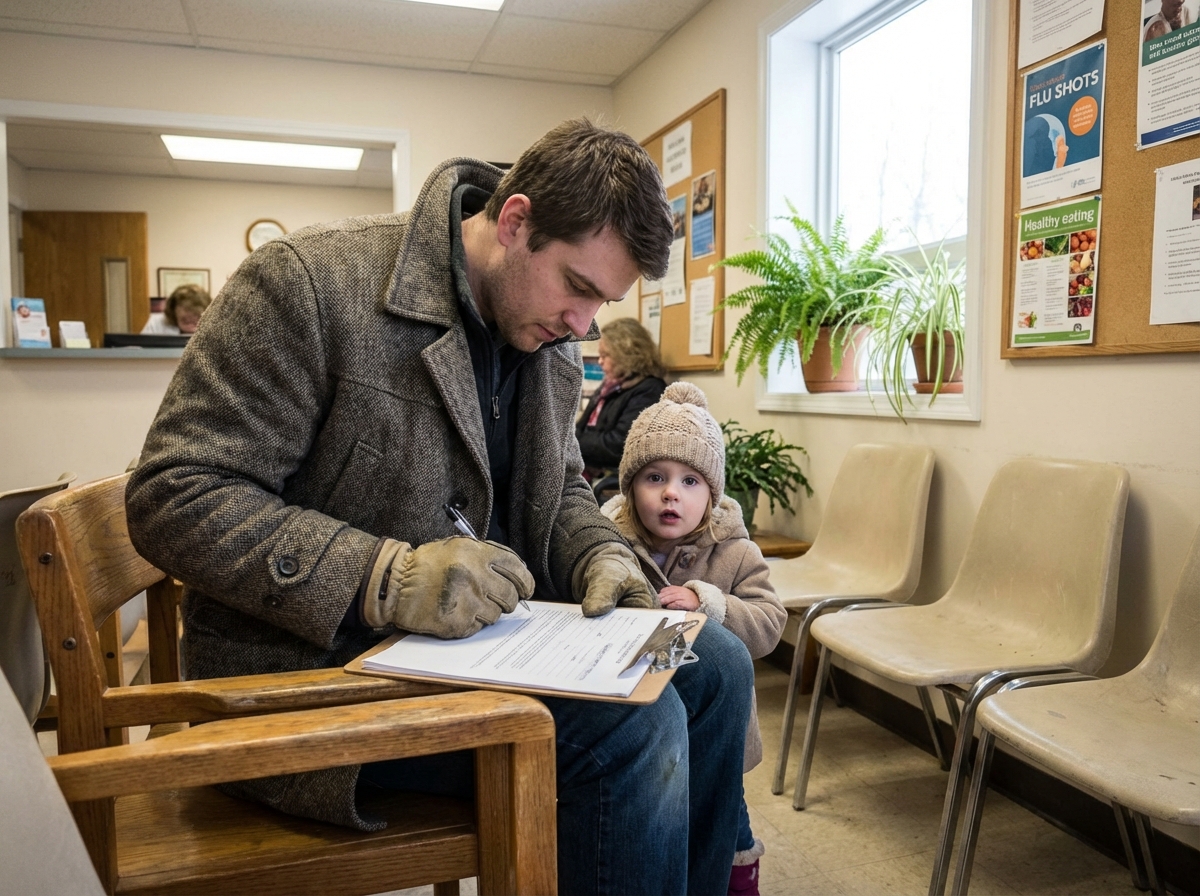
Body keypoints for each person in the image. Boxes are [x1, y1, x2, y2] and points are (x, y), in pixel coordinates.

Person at [125, 118, 754, 896]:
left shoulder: (548, 336)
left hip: (479, 652)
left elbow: (556, 485)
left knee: (715, 663)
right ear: (516, 221)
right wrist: (383, 576)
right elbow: (174, 494)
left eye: (604, 302)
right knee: (633, 725)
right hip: (316, 673)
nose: (584, 326)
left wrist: (601, 555)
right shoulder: (307, 282)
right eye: (580, 288)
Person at [600, 382, 786, 896]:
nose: (670, 493)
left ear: (713, 493)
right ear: (630, 485)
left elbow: (770, 622)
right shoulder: (608, 541)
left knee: (724, 816)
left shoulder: (735, 553)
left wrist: (709, 603)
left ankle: (736, 882)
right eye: (654, 477)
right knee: (653, 809)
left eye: (690, 481)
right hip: (641, 714)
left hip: (714, 729)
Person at [576, 317, 666, 480]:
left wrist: (574, 441)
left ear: (626, 354)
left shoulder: (649, 390)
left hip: (615, 480)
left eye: (606, 355)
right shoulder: (609, 386)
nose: (600, 361)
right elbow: (580, 427)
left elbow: (617, 445)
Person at [140, 284, 211, 334]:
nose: (191, 322)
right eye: (186, 320)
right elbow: (139, 350)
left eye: (197, 316)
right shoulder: (156, 322)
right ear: (173, 310)